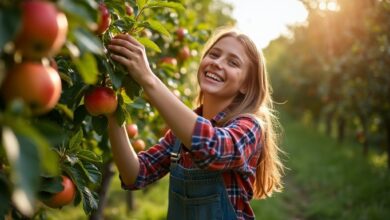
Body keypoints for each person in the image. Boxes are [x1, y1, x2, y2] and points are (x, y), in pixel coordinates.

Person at [106, 27, 284, 220]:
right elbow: (136, 174)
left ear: (246, 85)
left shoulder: (250, 127)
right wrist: (113, 111)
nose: (217, 63)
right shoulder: (181, 133)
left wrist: (149, 80)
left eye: (233, 63)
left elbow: (212, 148)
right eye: (214, 55)